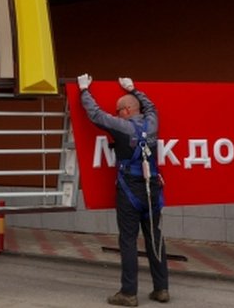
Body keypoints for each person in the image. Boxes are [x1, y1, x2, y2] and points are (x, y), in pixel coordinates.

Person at [78, 74, 169, 306]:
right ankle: (161, 289)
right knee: (155, 239)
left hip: (129, 191)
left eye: (118, 111)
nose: (117, 114)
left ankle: (129, 293)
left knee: (128, 241)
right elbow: (151, 106)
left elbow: (96, 115)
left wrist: (83, 91)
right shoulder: (153, 122)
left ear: (126, 111)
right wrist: (134, 89)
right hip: (153, 191)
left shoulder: (122, 127)